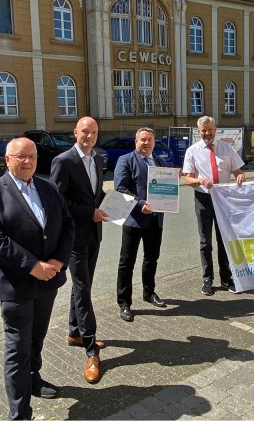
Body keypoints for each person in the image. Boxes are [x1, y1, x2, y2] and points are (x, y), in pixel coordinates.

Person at [0, 137, 76, 419]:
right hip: (15, 283)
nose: (27, 162)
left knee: (36, 339)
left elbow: (67, 224)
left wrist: (58, 260)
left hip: (48, 281)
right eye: (20, 157)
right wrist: (33, 266)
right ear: (7, 160)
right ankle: (20, 413)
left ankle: (34, 380)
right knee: (17, 348)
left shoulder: (48, 187)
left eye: (31, 156)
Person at [49, 116, 108, 384]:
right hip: (74, 239)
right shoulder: (63, 162)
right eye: (85, 131)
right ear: (75, 132)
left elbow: (97, 195)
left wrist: (125, 203)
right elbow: (58, 203)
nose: (90, 136)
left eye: (94, 132)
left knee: (83, 287)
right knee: (83, 289)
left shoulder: (97, 159)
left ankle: (75, 332)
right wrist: (90, 212)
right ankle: (91, 350)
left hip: (95, 234)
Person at [182, 116, 245, 296]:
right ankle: (207, 279)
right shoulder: (192, 151)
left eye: (209, 130)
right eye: (203, 131)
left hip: (223, 200)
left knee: (223, 240)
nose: (207, 134)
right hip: (203, 199)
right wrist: (199, 179)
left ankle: (226, 279)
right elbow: (187, 179)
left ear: (215, 129)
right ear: (199, 131)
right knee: (205, 242)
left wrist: (240, 176)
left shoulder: (227, 148)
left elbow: (238, 172)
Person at [113, 127, 167, 322]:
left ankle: (149, 292)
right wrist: (140, 204)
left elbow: (165, 188)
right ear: (136, 142)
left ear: (154, 142)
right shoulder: (125, 160)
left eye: (150, 140)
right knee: (127, 263)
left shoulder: (160, 161)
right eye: (143, 140)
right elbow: (120, 188)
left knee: (151, 258)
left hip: (155, 219)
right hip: (134, 220)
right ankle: (124, 302)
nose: (146, 143)